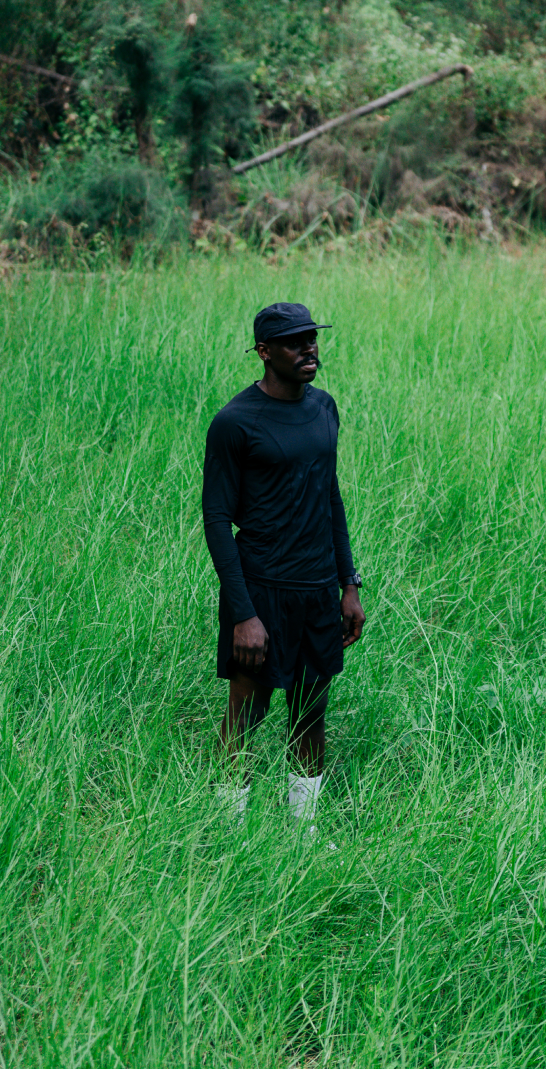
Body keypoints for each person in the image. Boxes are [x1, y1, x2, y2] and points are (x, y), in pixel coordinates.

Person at [202, 301, 366, 831]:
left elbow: (331, 498)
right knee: (246, 716)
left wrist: (348, 583)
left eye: (313, 339)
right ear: (265, 352)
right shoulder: (234, 423)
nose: (309, 349)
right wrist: (244, 615)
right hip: (261, 590)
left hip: (318, 589)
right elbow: (216, 520)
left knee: (311, 715)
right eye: (295, 342)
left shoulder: (324, 408)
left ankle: (304, 834)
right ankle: (230, 834)